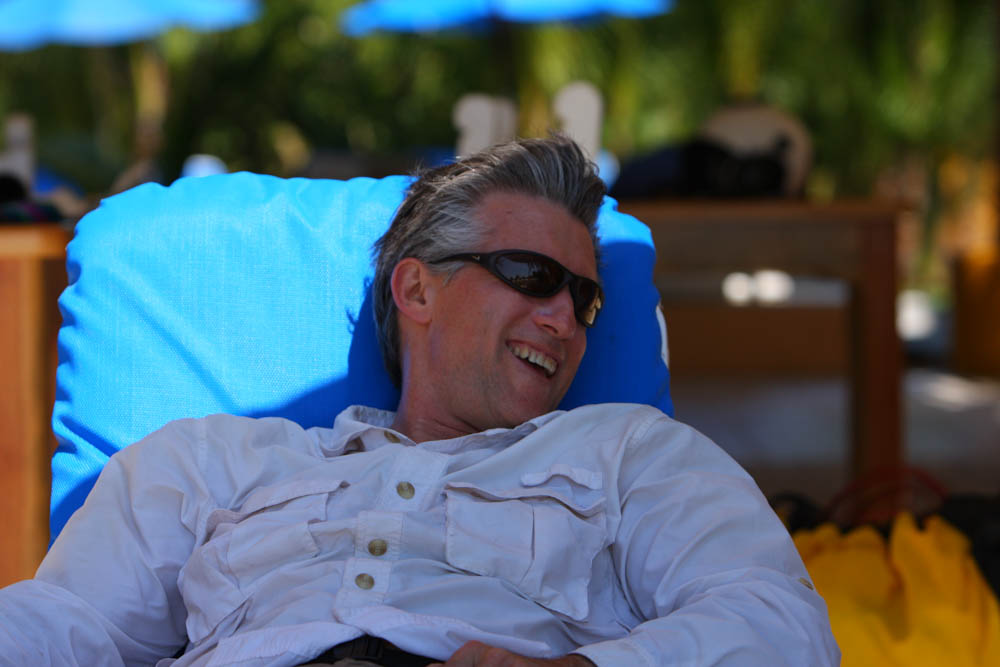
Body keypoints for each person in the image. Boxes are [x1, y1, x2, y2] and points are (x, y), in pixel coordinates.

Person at [0, 136, 839, 666]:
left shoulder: (630, 453)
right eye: (531, 275)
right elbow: (67, 624)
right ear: (417, 290)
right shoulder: (208, 461)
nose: (562, 318)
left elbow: (779, 621)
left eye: (583, 298)